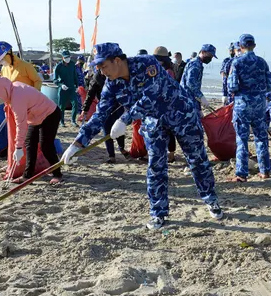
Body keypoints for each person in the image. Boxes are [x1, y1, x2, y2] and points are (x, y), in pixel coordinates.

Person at [61, 42, 223, 230]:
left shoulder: (146, 64)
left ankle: (211, 199)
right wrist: (78, 143)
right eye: (98, 68)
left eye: (103, 66)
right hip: (154, 122)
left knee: (197, 160)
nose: (102, 72)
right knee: (156, 166)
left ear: (117, 60)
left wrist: (124, 119)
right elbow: (100, 114)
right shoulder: (111, 84)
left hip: (181, 115)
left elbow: (152, 94)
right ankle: (158, 213)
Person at [0, 76, 63, 185]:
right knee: (30, 143)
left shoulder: (17, 98)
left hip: (50, 114)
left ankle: (57, 174)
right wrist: (20, 146)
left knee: (46, 145)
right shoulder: (11, 90)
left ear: (2, 91)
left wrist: (18, 148)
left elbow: (21, 125)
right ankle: (27, 175)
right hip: (35, 117)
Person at [227, 33, 271, 182]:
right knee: (261, 137)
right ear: (253, 45)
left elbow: (232, 86)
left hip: (243, 104)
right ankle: (265, 170)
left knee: (242, 139)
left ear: (240, 46)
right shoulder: (262, 62)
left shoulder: (237, 63)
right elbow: (270, 85)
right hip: (260, 104)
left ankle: (241, 174)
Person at [81, 59, 128, 164]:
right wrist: (85, 109)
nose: (104, 71)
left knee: (119, 128)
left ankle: (122, 148)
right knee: (107, 131)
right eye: (101, 68)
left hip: (118, 106)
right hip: (105, 108)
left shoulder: (117, 75)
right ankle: (111, 155)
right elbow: (90, 94)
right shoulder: (96, 78)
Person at [154, 46, 179, 162]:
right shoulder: (164, 70)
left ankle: (171, 153)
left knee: (168, 130)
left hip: (167, 105)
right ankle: (168, 152)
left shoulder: (167, 71)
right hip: (162, 105)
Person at [180, 44, 217, 116]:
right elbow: (191, 83)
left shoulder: (198, 64)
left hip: (192, 98)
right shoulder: (195, 64)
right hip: (188, 99)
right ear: (203, 52)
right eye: (209, 55)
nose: (210, 58)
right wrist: (201, 97)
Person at [54, 50, 80, 127]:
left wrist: (77, 85)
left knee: (75, 103)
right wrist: (61, 85)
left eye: (68, 57)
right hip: (63, 89)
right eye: (65, 57)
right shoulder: (58, 67)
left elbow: (75, 75)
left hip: (72, 88)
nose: (67, 59)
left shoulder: (72, 64)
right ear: (62, 58)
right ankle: (62, 121)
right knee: (62, 106)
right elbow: (55, 80)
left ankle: (73, 121)